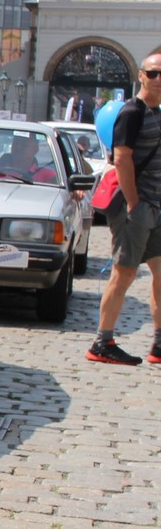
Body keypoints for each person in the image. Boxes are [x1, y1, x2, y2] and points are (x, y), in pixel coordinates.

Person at [88, 53, 161, 365]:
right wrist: (133, 202)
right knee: (125, 272)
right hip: (136, 207)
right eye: (153, 73)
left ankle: (159, 344)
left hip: (155, 206)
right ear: (141, 76)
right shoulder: (132, 112)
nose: (159, 78)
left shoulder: (158, 112)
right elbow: (121, 158)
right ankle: (102, 342)